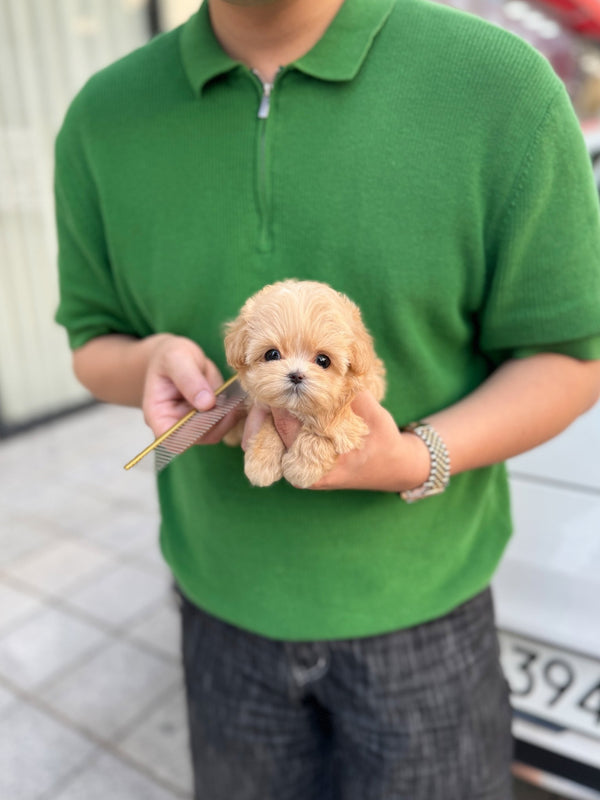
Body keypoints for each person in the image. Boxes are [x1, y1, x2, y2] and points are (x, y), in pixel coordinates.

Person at [54, 0, 600, 797]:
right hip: (218, 604)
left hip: (428, 615)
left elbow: (568, 356)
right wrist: (149, 361)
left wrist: (415, 456)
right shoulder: (104, 117)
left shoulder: (497, 84)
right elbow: (91, 342)